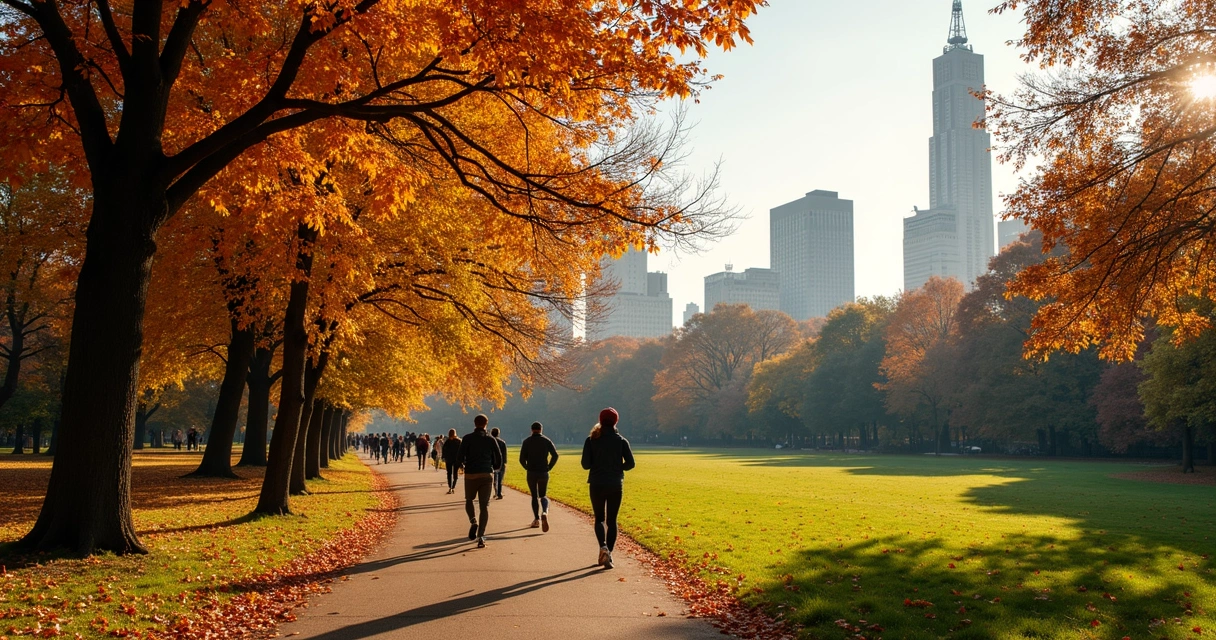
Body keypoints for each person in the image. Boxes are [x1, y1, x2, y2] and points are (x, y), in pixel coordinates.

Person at [581, 407, 634, 569]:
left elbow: (585, 465)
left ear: (601, 420)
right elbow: (631, 464)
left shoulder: (591, 440)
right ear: (615, 421)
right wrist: (618, 467)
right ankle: (608, 553)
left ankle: (603, 547)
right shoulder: (621, 441)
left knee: (599, 519)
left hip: (597, 483)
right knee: (612, 521)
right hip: (615, 483)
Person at [455, 415, 502, 549]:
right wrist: (495, 467)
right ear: (486, 424)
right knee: (484, 506)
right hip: (486, 473)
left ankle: (473, 521)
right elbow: (498, 456)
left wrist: (461, 466)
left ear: (474, 423)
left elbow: (459, 456)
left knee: (469, 500)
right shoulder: (490, 439)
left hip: (471, 474)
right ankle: (481, 536)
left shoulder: (467, 438)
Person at [519, 421, 559, 531]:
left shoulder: (527, 441)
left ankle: (536, 519)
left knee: (534, 496)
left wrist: (527, 467)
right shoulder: (546, 441)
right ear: (541, 429)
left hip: (532, 472)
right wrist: (549, 467)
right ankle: (545, 511)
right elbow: (555, 455)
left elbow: (521, 459)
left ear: (531, 429)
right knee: (543, 495)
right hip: (543, 471)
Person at [442, 429, 462, 494]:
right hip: (457, 459)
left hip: (449, 459)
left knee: (449, 473)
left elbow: (444, 450)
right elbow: (461, 451)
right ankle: (453, 486)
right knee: (455, 473)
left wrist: (443, 457)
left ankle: (450, 486)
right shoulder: (459, 441)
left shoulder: (447, 441)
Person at [490, 427, 508, 499]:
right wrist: (504, 462)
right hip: (501, 463)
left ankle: (496, 492)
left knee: (495, 479)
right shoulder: (502, 442)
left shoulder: (490, 442)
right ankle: (499, 493)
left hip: (493, 463)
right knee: (500, 479)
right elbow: (504, 454)